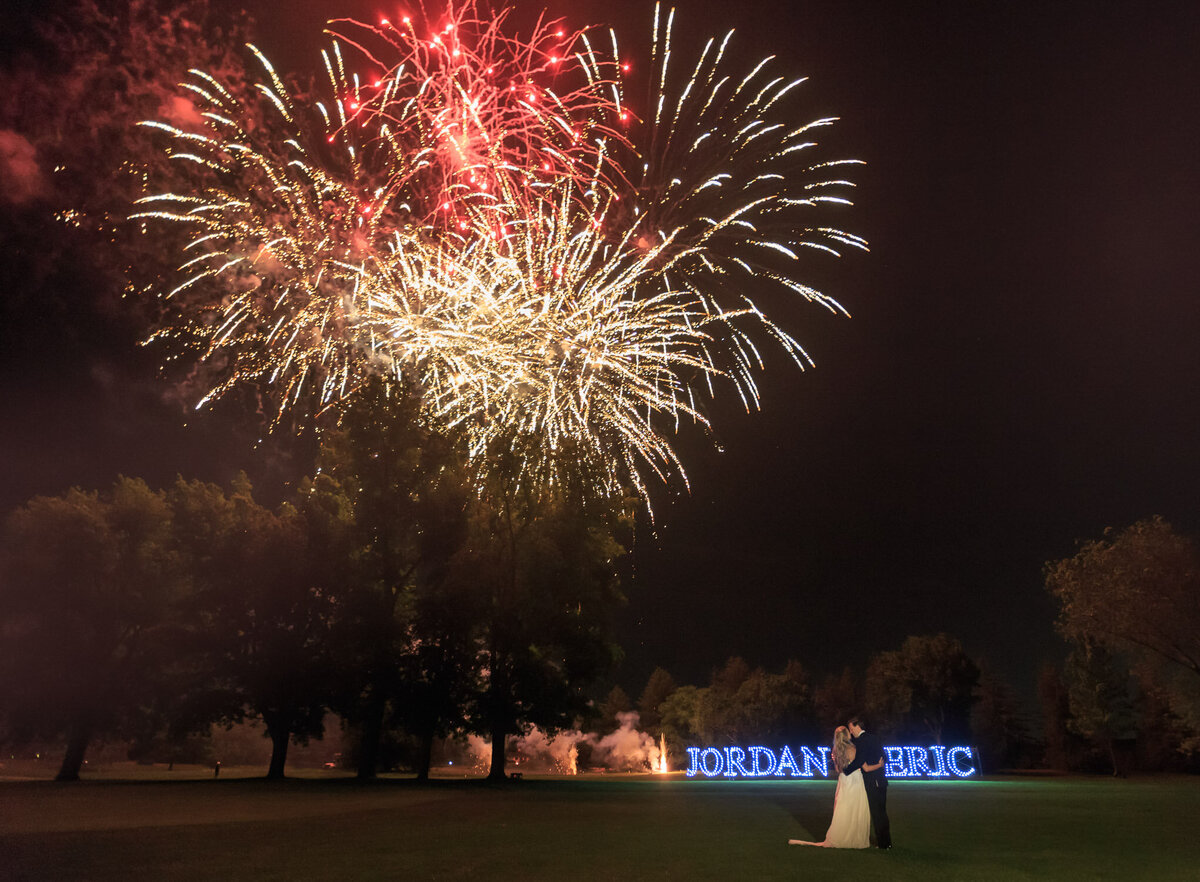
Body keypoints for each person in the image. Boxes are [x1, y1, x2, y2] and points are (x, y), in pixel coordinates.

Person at [788, 726, 870, 848]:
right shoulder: (853, 748)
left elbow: (838, 769)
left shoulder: (836, 750)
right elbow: (860, 764)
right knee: (856, 807)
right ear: (847, 734)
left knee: (844, 807)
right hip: (855, 779)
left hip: (843, 780)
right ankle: (854, 838)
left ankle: (841, 836)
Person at [841, 714, 892, 849]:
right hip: (881, 780)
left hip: (872, 781)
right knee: (882, 811)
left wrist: (845, 771)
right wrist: (879, 765)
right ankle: (887, 842)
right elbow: (884, 757)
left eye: (851, 728)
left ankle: (883, 844)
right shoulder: (875, 738)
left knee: (877, 813)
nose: (850, 731)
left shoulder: (862, 741)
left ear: (858, 726)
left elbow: (858, 761)